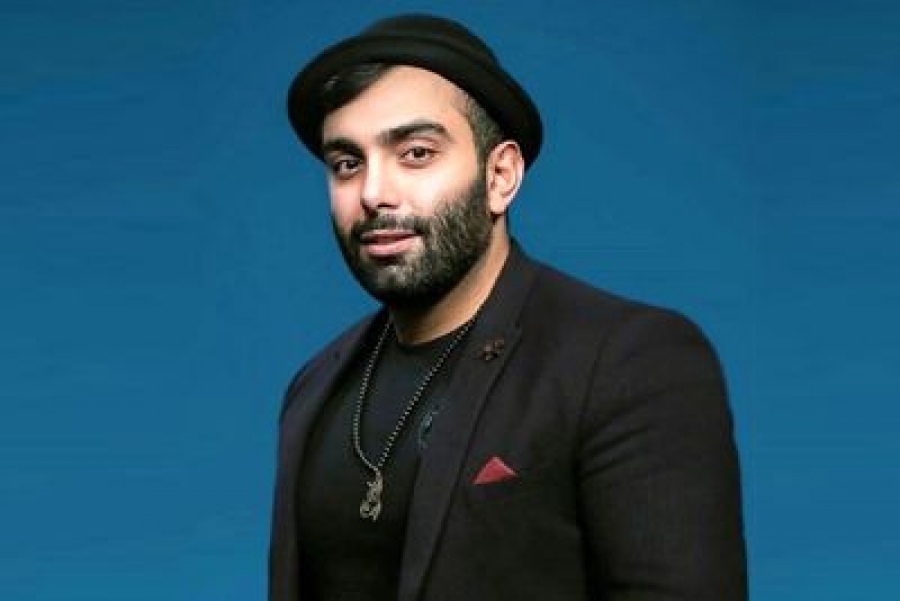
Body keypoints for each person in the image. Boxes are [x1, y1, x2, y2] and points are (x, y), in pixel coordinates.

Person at [270, 13, 747, 601]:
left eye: (416, 153)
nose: (373, 193)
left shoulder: (629, 362)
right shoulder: (315, 387)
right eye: (347, 163)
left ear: (501, 176)